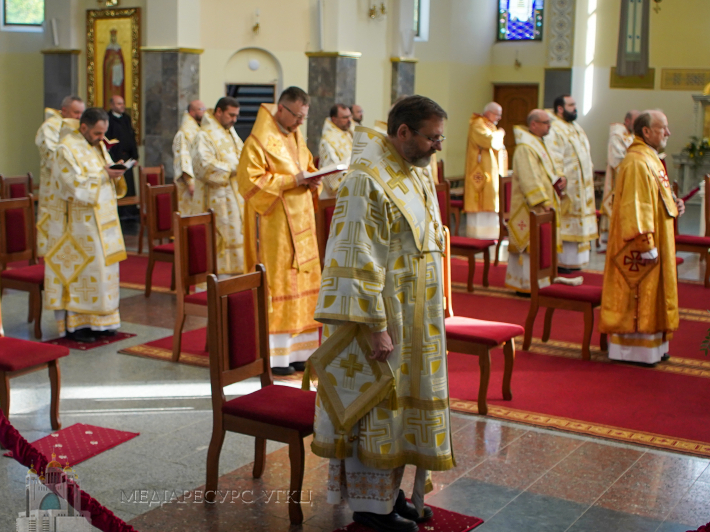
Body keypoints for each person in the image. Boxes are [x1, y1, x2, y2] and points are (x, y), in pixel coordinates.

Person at [310, 95, 454, 532]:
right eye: (431, 138)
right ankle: (371, 508)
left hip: (417, 317)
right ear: (404, 132)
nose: (437, 147)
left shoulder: (416, 170)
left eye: (440, 138)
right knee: (377, 408)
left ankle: (391, 495)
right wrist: (374, 327)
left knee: (402, 411)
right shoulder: (366, 178)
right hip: (383, 317)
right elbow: (356, 257)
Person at [236, 87, 322, 376]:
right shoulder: (258, 141)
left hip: (302, 224)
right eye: (297, 116)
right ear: (281, 109)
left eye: (304, 118)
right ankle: (277, 357)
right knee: (281, 283)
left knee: (303, 283)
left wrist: (314, 180)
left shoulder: (296, 135)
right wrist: (292, 180)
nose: (300, 123)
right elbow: (250, 183)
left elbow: (307, 166)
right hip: (275, 228)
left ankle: (300, 352)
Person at [600, 110, 684, 366]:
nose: (668, 133)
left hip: (656, 238)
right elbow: (636, 206)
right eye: (663, 128)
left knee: (654, 294)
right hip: (639, 245)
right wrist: (645, 243)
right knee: (639, 293)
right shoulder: (637, 161)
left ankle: (655, 347)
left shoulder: (649, 157)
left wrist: (673, 203)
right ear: (646, 131)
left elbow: (654, 198)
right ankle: (633, 351)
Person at [43, 107, 128, 343]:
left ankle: (103, 322)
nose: (102, 138)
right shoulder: (65, 149)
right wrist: (104, 175)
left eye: (104, 133)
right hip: (80, 227)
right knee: (85, 274)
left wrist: (116, 171)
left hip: (105, 221)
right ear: (84, 128)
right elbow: (71, 185)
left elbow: (104, 173)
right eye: (98, 133)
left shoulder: (97, 146)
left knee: (105, 273)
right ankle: (78, 326)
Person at [505, 110, 565, 293]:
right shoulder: (525, 147)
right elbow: (528, 177)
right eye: (545, 122)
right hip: (529, 206)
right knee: (529, 246)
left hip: (541, 204)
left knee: (539, 244)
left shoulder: (537, 144)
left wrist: (559, 179)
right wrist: (542, 201)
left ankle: (538, 282)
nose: (549, 126)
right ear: (533, 125)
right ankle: (525, 284)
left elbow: (547, 171)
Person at [192, 97, 245, 277]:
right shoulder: (204, 135)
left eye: (236, 115)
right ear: (219, 112)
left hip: (235, 199)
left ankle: (233, 291)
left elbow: (243, 157)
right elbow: (204, 167)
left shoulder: (231, 133)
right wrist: (233, 168)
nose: (234, 120)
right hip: (217, 202)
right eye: (231, 115)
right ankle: (216, 292)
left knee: (238, 245)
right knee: (218, 249)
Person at [545, 95, 597, 271]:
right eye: (571, 105)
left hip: (581, 187)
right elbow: (553, 154)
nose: (575, 108)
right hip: (568, 186)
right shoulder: (554, 128)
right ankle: (563, 262)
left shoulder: (575, 127)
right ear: (560, 108)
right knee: (567, 222)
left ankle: (576, 262)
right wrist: (559, 176)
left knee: (579, 223)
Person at [35, 96, 85, 257]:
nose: (79, 117)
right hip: (54, 187)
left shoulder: (78, 128)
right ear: (64, 111)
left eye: (81, 113)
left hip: (73, 187)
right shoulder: (50, 127)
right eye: (76, 112)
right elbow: (51, 157)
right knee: (54, 227)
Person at [463, 102, 506, 239]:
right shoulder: (478, 124)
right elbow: (490, 141)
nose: (499, 118)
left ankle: (491, 239)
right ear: (489, 113)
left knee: (491, 201)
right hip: (480, 173)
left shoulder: (490, 125)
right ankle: (478, 240)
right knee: (481, 204)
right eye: (498, 115)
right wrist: (500, 133)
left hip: (491, 173)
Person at [600, 110, 639, 248]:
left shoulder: (633, 136)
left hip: (631, 177)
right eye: (635, 121)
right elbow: (616, 158)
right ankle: (613, 239)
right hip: (618, 179)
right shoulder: (617, 135)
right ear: (627, 120)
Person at [106, 95, 139, 219]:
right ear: (112, 105)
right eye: (119, 104)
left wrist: (135, 156)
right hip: (116, 159)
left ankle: (130, 211)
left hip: (128, 159)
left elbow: (131, 137)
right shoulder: (108, 119)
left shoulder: (126, 118)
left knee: (130, 186)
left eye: (123, 103)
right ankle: (120, 212)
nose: (122, 106)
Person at [172, 100, 206, 214]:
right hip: (189, 185)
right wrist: (190, 182)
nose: (204, 112)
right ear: (191, 112)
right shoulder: (184, 134)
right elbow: (183, 158)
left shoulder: (200, 130)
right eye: (201, 109)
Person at [318, 103, 353, 198]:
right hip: (335, 195)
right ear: (334, 119)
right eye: (345, 117)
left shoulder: (348, 133)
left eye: (350, 116)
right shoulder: (328, 140)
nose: (349, 120)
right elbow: (332, 167)